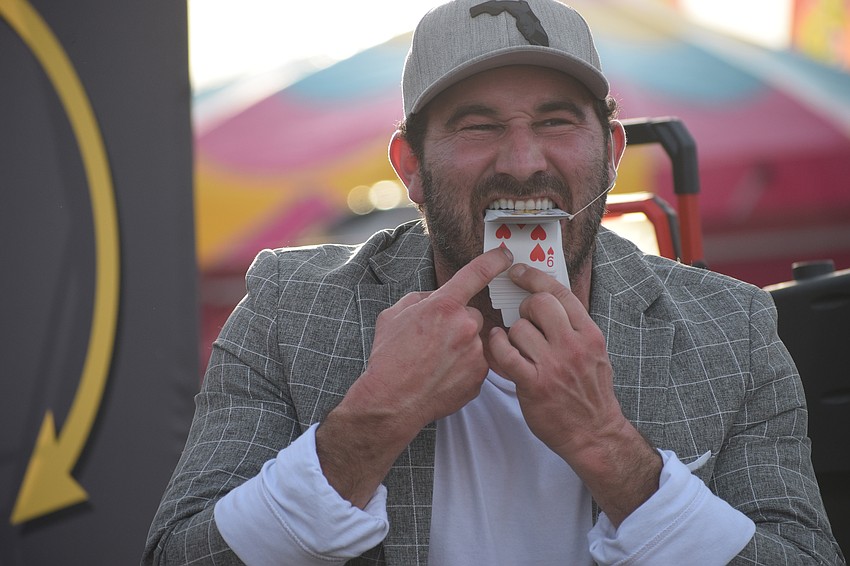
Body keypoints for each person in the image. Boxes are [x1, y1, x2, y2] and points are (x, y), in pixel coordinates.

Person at [144, 0, 844, 564]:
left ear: (610, 154)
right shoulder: (286, 309)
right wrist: (374, 418)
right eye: (477, 126)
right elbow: (181, 554)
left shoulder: (735, 327)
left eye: (556, 121)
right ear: (411, 166)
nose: (521, 161)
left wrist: (605, 444)